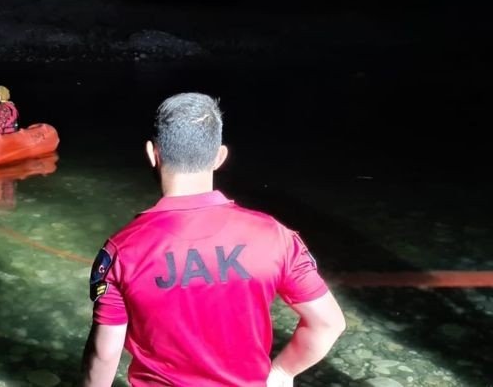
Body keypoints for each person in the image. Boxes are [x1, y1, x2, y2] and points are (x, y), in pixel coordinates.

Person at [82, 93, 345, 387]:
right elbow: (328, 323)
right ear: (220, 156)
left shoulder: (122, 250)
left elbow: (105, 353)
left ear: (152, 153)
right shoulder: (274, 236)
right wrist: (282, 372)